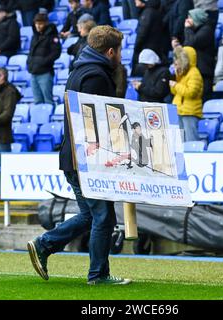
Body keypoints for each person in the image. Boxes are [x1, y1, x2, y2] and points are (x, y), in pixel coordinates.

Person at [28, 25, 132, 286]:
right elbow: (100, 122)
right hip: (87, 159)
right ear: (110, 51)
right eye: (119, 51)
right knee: (104, 217)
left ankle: (44, 244)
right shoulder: (97, 76)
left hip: (74, 156)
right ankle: (98, 275)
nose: (121, 56)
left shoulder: (81, 70)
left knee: (90, 215)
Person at [170, 46, 203, 142]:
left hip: (190, 112)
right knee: (181, 142)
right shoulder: (182, 73)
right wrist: (175, 78)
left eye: (179, 58)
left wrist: (176, 85)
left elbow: (191, 92)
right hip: (179, 110)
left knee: (191, 140)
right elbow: (174, 92)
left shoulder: (194, 73)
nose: (177, 61)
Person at [27, 12, 61, 105]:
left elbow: (56, 53)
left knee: (48, 100)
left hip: (45, 72)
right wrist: (29, 63)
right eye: (36, 23)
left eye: (40, 23)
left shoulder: (52, 36)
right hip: (33, 72)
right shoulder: (35, 36)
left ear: (46, 23)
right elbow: (31, 52)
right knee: (37, 101)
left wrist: (43, 62)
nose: (38, 26)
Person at [183, 8, 216, 101]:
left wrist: (187, 29)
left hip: (204, 70)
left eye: (190, 17)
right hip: (197, 69)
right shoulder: (196, 30)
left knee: (204, 97)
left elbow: (192, 43)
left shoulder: (207, 30)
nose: (187, 20)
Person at [0, 68, 22, 152]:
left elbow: (8, 113)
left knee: (5, 161)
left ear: (2, 77)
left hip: (2, 135)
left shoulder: (9, 92)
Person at [131, 0, 168, 77]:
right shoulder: (154, 11)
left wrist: (136, 47)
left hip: (147, 49)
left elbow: (142, 33)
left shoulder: (147, 13)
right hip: (155, 48)